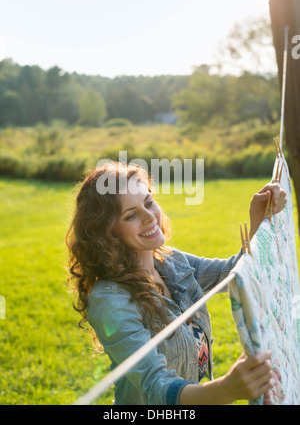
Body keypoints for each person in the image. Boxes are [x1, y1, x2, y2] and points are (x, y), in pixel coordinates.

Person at [65, 161, 287, 405]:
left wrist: (257, 216)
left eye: (149, 202)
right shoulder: (110, 302)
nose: (150, 217)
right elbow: (157, 387)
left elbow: (234, 273)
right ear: (108, 232)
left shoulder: (171, 261)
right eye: (131, 215)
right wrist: (225, 390)